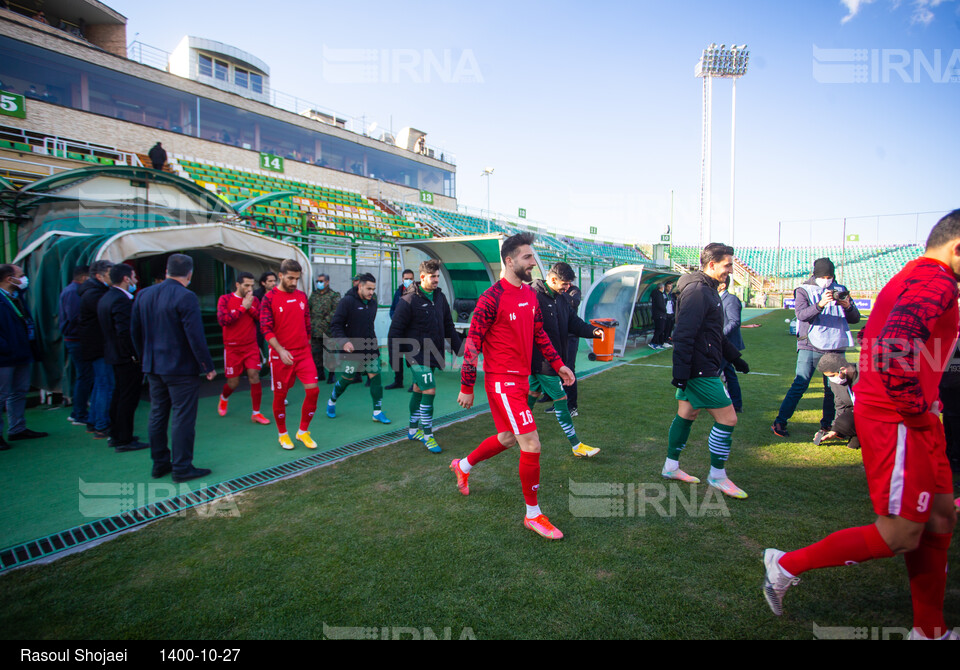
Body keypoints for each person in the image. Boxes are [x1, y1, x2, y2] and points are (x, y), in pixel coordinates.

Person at [763, 210, 960, 641]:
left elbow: (882, 335)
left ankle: (930, 630)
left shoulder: (916, 273)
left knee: (941, 517)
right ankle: (785, 564)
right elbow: (893, 348)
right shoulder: (936, 279)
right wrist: (916, 408)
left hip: (912, 417)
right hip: (899, 419)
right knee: (902, 534)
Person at [449, 233, 575, 540]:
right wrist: (467, 386)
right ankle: (533, 515)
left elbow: (539, 334)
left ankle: (463, 465)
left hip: (521, 379)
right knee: (531, 444)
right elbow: (473, 344)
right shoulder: (491, 298)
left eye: (532, 257)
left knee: (506, 438)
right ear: (510, 261)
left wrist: (558, 364)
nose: (533, 263)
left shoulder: (530, 295)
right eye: (527, 257)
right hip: (502, 381)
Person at [662, 243, 751, 499]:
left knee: (687, 415)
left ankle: (671, 467)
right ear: (711, 265)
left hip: (701, 366)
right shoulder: (698, 292)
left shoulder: (709, 291)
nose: (731, 269)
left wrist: (735, 358)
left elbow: (713, 335)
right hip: (699, 369)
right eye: (728, 265)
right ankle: (717, 476)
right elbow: (683, 334)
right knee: (728, 419)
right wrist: (681, 372)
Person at [131, 254, 216, 483]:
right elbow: (195, 335)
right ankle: (182, 467)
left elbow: (135, 331)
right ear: (190, 274)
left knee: (158, 414)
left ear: (167, 270)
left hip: (153, 366)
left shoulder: (143, 294)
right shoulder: (186, 296)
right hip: (180, 368)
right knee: (183, 417)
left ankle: (160, 464)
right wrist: (207, 365)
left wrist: (144, 358)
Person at [771, 257, 860, 437]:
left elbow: (855, 318)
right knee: (800, 383)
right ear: (816, 275)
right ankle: (780, 422)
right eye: (823, 276)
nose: (827, 280)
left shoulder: (841, 290)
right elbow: (802, 315)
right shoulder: (804, 290)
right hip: (810, 345)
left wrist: (848, 306)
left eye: (830, 276)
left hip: (835, 345)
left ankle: (828, 425)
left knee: (833, 388)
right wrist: (820, 304)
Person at [527, 262, 603, 458]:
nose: (568, 288)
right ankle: (576, 445)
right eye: (565, 283)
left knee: (533, 392)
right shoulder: (531, 296)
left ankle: (516, 427)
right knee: (561, 398)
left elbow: (573, 322)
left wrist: (593, 331)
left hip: (555, 357)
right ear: (552, 279)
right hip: (541, 359)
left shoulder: (560, 299)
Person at [388, 259, 463, 453]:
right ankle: (428, 435)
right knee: (429, 390)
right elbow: (395, 331)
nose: (437, 280)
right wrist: (395, 359)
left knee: (418, 389)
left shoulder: (440, 297)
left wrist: (458, 347)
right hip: (415, 354)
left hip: (433, 352)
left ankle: (413, 430)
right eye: (433, 277)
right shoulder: (408, 300)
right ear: (422, 277)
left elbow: (448, 325)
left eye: (438, 276)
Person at [260, 259, 320, 449]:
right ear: (281, 276)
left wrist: (307, 343)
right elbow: (266, 328)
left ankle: (302, 431)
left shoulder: (302, 296)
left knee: (314, 391)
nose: (294, 282)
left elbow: (307, 323)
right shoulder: (269, 298)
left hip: (303, 353)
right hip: (281, 355)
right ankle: (283, 434)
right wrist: (280, 350)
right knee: (280, 396)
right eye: (290, 278)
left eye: (297, 278)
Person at [327, 273, 391, 424]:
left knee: (375, 377)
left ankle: (377, 412)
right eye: (368, 288)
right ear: (360, 286)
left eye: (373, 289)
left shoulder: (373, 303)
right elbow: (336, 325)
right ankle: (332, 400)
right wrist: (344, 342)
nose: (371, 292)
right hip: (351, 351)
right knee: (347, 379)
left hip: (370, 348)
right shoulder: (347, 302)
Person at [97, 263, 147, 452]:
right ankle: (124, 438)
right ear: (126, 279)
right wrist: (135, 355)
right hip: (126, 358)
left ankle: (117, 434)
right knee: (127, 398)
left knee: (119, 395)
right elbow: (125, 333)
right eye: (134, 276)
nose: (136, 280)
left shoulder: (107, 297)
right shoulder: (121, 301)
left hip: (114, 355)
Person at [0, 264, 47, 449]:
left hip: (21, 352)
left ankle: (17, 428)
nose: (24, 279)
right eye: (21, 275)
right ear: (8, 279)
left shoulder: (16, 296)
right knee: (2, 395)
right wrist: (5, 348)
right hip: (5, 356)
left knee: (19, 392)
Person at [216, 271, 270, 425]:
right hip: (232, 348)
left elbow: (261, 318)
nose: (249, 289)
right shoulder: (224, 299)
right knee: (233, 383)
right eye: (246, 285)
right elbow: (223, 320)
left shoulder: (254, 300)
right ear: (237, 284)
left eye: (251, 285)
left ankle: (256, 413)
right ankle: (224, 397)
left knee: (254, 376)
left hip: (250, 346)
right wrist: (242, 308)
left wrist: (249, 307)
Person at [78, 260, 115, 438]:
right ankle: (101, 425)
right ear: (99, 276)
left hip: (97, 345)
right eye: (110, 273)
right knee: (105, 385)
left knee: (101, 384)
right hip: (100, 346)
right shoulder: (95, 294)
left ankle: (95, 421)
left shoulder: (93, 292)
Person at [59, 265, 90, 426]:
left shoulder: (71, 290)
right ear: (85, 278)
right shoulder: (73, 292)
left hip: (75, 340)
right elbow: (76, 317)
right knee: (84, 376)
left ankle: (79, 411)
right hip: (77, 340)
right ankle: (79, 413)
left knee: (84, 376)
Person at [813, 353, 859, 449]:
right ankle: (858, 435)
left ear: (842, 369)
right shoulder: (835, 382)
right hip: (857, 410)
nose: (831, 379)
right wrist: (834, 429)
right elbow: (840, 404)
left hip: (875, 409)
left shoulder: (862, 374)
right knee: (843, 423)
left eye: (833, 375)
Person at [386, 269, 416, 390]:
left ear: (414, 279)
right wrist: (396, 319)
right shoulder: (398, 292)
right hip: (398, 330)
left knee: (413, 356)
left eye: (410, 278)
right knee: (395, 355)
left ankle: (415, 382)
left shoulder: (418, 293)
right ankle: (398, 381)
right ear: (402, 279)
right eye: (405, 278)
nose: (407, 281)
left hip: (410, 331)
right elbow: (392, 309)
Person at [719, 276, 745, 413]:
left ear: (723, 285)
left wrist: (719, 335)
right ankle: (736, 403)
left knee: (713, 373)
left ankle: (698, 401)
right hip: (723, 343)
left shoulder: (731, 300)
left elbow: (734, 322)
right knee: (728, 374)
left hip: (727, 344)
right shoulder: (718, 299)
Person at [308, 273, 340, 385]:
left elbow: (335, 311)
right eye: (318, 281)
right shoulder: (314, 295)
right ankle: (320, 373)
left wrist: (325, 321)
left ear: (327, 282)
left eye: (321, 281)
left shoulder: (334, 295)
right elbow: (308, 309)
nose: (319, 283)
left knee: (330, 353)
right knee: (316, 353)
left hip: (327, 330)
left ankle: (332, 375)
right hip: (315, 329)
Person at [650, 281, 670, 350]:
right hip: (659, 315)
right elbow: (660, 305)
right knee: (660, 329)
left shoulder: (657, 294)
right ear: (662, 287)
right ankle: (652, 342)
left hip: (658, 314)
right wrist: (665, 310)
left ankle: (657, 343)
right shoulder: (658, 295)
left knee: (659, 329)